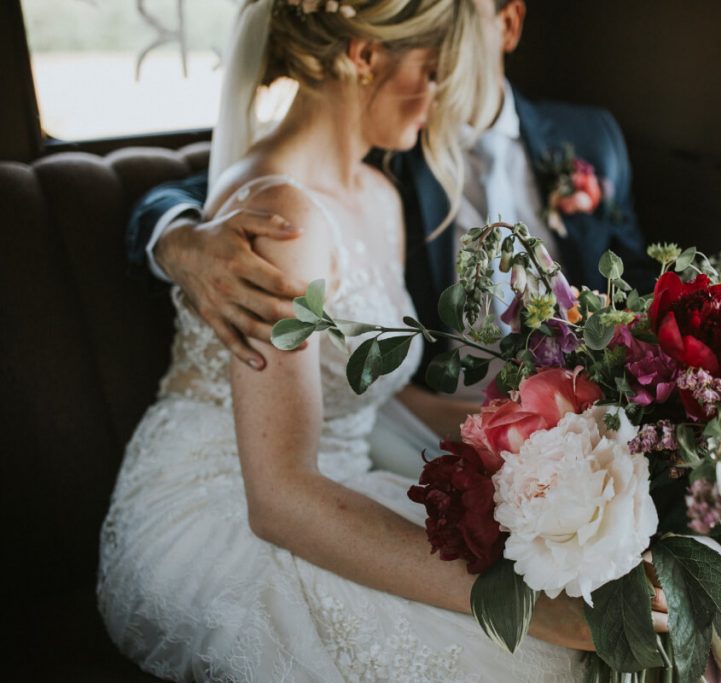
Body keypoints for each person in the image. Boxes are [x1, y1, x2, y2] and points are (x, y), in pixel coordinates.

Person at [125, 2, 721, 682]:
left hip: (586, 388)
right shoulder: (336, 183)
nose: (446, 77)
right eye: (435, 57)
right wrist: (178, 242)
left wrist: (641, 399)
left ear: (508, 26)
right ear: (367, 52)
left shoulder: (559, 145)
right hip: (319, 460)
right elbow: (227, 202)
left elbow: (634, 282)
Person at [100, 1, 680, 681]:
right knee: (545, 650)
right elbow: (281, 497)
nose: (441, 100)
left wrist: (554, 431)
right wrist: (525, 604)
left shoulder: (378, 194)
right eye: (432, 71)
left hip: (342, 480)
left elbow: (381, 394)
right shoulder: (276, 219)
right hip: (227, 507)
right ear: (364, 55)